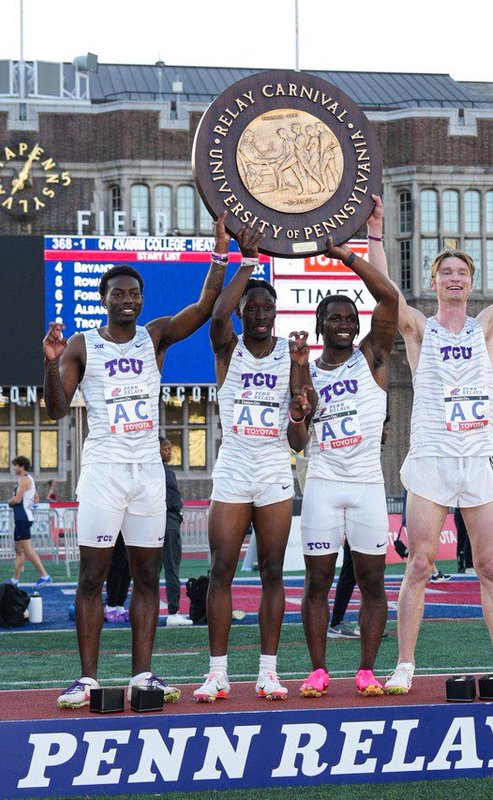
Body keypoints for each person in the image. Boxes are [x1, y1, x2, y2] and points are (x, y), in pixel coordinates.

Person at [44, 216, 238, 710]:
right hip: (105, 472)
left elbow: (201, 309)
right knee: (92, 577)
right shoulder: (82, 345)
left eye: (135, 293)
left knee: (148, 578)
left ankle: (142, 675)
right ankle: (87, 679)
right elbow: (57, 409)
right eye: (119, 293)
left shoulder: (154, 338)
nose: (128, 299)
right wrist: (50, 363)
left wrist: (221, 254)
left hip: (149, 475)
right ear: (104, 298)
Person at [384, 184, 493, 695]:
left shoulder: (486, 328)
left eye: (462, 273)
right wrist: (374, 231)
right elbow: (387, 292)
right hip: (431, 458)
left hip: (477, 458)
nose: (454, 279)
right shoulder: (419, 330)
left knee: (489, 564)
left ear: (471, 282)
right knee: (421, 563)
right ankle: (405, 663)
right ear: (435, 280)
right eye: (446, 272)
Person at [194, 221, 314, 705]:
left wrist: (301, 410)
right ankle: (217, 673)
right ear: (243, 312)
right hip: (234, 468)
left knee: (271, 571)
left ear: (277, 312)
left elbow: (299, 438)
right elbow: (216, 314)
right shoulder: (229, 348)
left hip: (272, 470)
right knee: (222, 568)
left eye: (268, 307)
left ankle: (268, 671)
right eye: (252, 307)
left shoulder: (292, 355)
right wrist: (246, 263)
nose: (260, 313)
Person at [293, 202, 399, 699]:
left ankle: (365, 669)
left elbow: (390, 298)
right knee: (317, 583)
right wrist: (300, 415)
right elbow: (295, 443)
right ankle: (317, 669)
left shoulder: (371, 357)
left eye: (348, 317)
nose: (342, 323)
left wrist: (347, 257)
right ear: (320, 327)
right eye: (333, 318)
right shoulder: (305, 372)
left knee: (372, 583)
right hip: (321, 484)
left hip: (367, 486)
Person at [159, 434, 191, 626]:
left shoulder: (151, 470)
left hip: (155, 523)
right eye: (166, 448)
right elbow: (172, 499)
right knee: (172, 567)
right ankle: (173, 612)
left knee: (150, 570)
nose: (169, 451)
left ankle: (149, 610)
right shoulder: (165, 471)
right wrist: (178, 511)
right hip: (168, 523)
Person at [8, 456, 52, 587]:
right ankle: (15, 580)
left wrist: (9, 502)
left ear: (21, 466)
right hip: (22, 517)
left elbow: (17, 500)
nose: (14, 468)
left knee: (27, 549)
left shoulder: (23, 479)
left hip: (23, 517)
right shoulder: (29, 479)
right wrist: (31, 502)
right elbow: (36, 497)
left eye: (15, 465)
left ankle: (44, 575)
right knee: (19, 549)